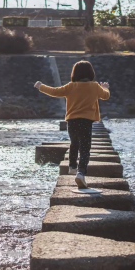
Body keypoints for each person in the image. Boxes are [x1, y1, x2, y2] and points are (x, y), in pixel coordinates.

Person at [34, 61, 110, 189]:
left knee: (74, 143)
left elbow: (54, 92)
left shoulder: (71, 86)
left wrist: (41, 86)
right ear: (91, 73)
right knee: (85, 148)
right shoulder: (95, 86)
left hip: (72, 121)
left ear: (74, 73)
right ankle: (81, 172)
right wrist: (105, 87)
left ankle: (72, 166)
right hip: (86, 121)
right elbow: (106, 96)